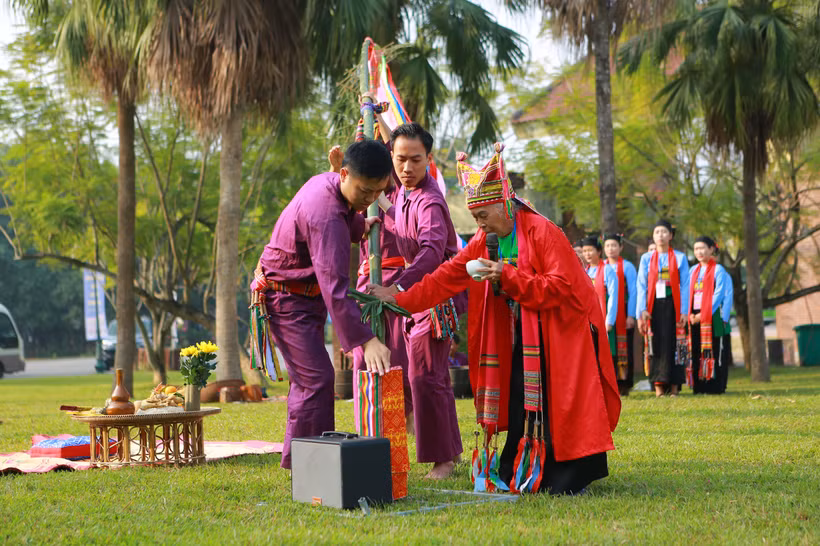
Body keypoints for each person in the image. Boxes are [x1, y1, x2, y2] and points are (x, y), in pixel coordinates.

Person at [373, 144, 621, 495]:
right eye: (475, 217)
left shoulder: (542, 231)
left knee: (563, 401)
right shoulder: (485, 238)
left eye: (483, 215)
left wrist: (508, 276)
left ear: (504, 205)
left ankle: (568, 475)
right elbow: (446, 277)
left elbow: (562, 288)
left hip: (563, 332)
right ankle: (522, 467)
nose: (479, 224)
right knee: (521, 395)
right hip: (524, 334)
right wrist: (399, 298)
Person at [252, 140, 393, 469]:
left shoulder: (330, 183)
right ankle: (309, 466)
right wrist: (365, 340)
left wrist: (360, 226)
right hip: (286, 299)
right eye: (365, 191)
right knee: (316, 379)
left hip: (305, 296)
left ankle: (303, 462)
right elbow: (335, 286)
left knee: (309, 380)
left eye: (379, 192)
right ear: (344, 174)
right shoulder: (326, 217)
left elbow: (349, 212)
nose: (371, 199)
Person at [368, 122, 464, 480]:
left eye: (415, 160)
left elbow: (431, 251)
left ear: (429, 159)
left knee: (425, 377)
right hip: (419, 297)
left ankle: (443, 461)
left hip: (435, 297)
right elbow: (400, 220)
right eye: (400, 159)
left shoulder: (430, 200)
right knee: (430, 376)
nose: (407, 168)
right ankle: (450, 453)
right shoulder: (407, 194)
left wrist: (396, 288)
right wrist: (380, 206)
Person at [328, 143, 414, 434]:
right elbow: (335, 206)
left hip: (396, 281)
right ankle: (368, 422)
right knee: (363, 356)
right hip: (367, 282)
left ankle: (406, 421)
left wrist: (385, 203)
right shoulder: (358, 192)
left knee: (399, 353)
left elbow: (409, 229)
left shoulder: (406, 193)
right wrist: (335, 170)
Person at [636, 220, 690, 397]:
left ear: (671, 236)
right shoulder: (646, 258)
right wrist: (642, 310)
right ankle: (658, 387)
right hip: (653, 307)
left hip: (674, 306)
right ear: (653, 236)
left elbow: (685, 286)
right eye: (657, 232)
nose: (660, 235)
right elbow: (641, 285)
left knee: (676, 343)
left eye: (664, 232)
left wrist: (684, 311)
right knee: (656, 344)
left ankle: (675, 386)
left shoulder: (680, 258)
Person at [687, 236, 733, 394]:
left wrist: (704, 314)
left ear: (711, 249)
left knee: (714, 350)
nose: (699, 252)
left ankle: (715, 386)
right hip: (694, 316)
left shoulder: (719, 270)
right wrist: (690, 314)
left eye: (702, 248)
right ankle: (699, 386)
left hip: (713, 316)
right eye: (696, 249)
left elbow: (719, 295)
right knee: (696, 350)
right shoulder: (693, 270)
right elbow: (687, 292)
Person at [603, 233, 638, 396]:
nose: (611, 249)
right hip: (606, 311)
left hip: (623, 311)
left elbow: (633, 291)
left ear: (621, 247)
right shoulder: (601, 266)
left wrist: (631, 315)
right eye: (607, 246)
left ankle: (624, 384)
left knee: (624, 347)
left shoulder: (627, 267)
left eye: (614, 245)